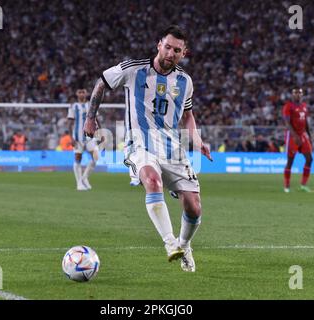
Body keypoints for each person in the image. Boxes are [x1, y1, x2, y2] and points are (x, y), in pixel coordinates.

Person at [83, 25, 212, 272]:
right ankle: (170, 243)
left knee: (193, 207)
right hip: (138, 142)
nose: (171, 53)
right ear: (158, 45)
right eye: (168, 47)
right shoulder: (133, 69)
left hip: (172, 147)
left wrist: (197, 140)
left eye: (177, 50)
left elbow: (187, 115)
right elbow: (102, 83)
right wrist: (91, 116)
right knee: (152, 180)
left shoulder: (185, 81)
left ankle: (184, 245)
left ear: (183, 53)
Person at [68, 88, 102, 191]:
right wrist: (71, 137)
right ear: (76, 93)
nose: (82, 94)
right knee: (78, 158)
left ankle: (84, 178)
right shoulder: (73, 106)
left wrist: (100, 132)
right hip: (77, 137)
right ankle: (79, 184)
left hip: (90, 136)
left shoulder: (92, 104)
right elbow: (70, 123)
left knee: (95, 157)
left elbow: (97, 119)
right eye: (79, 92)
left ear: (86, 93)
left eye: (83, 92)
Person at [282, 88, 314, 193]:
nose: (298, 95)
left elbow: (305, 121)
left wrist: (309, 134)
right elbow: (287, 123)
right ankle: (286, 187)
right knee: (290, 161)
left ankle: (303, 185)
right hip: (292, 136)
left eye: (300, 93)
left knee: (309, 159)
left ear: (302, 94)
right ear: (292, 94)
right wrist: (295, 135)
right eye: (295, 93)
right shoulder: (288, 106)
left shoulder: (304, 106)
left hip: (303, 135)